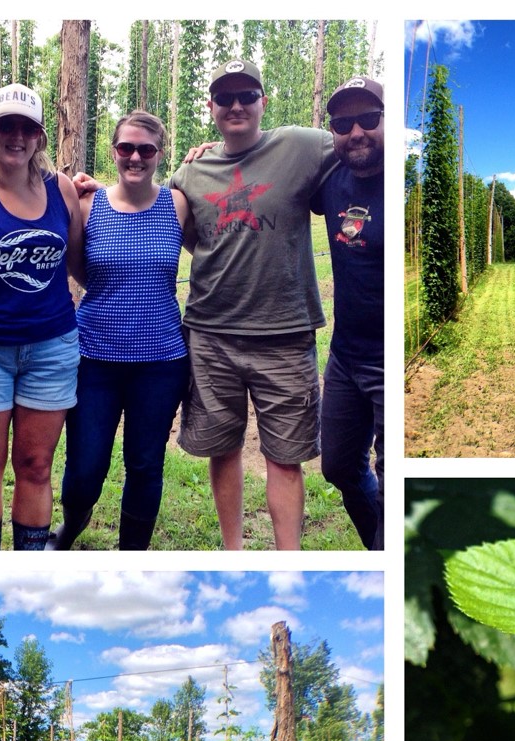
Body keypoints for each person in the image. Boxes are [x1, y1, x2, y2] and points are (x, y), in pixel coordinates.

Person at [169, 59, 338, 550]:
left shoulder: (302, 146)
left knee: (285, 457)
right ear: (212, 108)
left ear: (263, 102)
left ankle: (289, 557)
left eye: (247, 96)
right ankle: (232, 549)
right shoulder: (191, 170)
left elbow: (360, 144)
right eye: (225, 98)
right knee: (223, 449)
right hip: (210, 333)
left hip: (285, 334)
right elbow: (181, 234)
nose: (237, 105)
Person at [0, 83, 84, 550]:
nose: (16, 137)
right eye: (6, 126)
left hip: (51, 347)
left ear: (40, 138)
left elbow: (83, 261)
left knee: (35, 467)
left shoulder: (60, 189)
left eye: (27, 128)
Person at [48, 111, 191, 551]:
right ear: (113, 151)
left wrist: (204, 153)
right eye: (126, 148)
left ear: (159, 155)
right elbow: (77, 267)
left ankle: (132, 551)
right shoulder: (88, 205)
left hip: (162, 362)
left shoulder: (178, 204)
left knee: (146, 464)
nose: (135, 157)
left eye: (146, 149)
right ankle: (71, 526)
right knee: (85, 466)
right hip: (94, 360)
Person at [312, 76, 385, 550]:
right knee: (338, 465)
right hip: (344, 356)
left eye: (368, 119)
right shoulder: (331, 182)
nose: (355, 131)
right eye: (343, 123)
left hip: (388, 362)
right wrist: (218, 148)